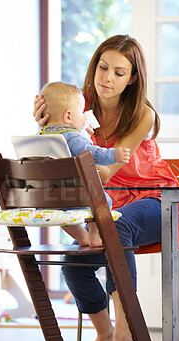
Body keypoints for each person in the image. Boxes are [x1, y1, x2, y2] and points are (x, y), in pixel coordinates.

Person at [33, 34, 179, 341]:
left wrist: (67, 140)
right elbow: (51, 151)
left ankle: (124, 334)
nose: (107, 78)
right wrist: (47, 127)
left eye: (119, 72)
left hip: (157, 200)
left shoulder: (141, 113)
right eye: (103, 67)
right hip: (107, 207)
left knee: (118, 227)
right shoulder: (76, 106)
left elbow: (105, 173)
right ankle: (103, 333)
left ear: (133, 78)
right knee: (74, 264)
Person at [39, 81, 130, 247]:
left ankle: (82, 236)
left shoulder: (39, 136)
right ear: (68, 116)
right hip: (77, 196)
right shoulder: (73, 136)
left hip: (47, 199)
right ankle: (94, 235)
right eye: (81, 112)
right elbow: (93, 154)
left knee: (62, 215)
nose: (85, 116)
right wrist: (114, 154)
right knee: (104, 201)